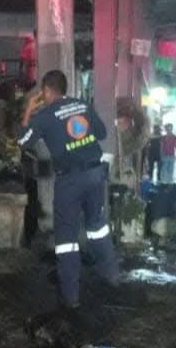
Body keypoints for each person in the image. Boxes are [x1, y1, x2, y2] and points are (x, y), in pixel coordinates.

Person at [19, 70, 119, 311]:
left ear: (45, 91)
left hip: (70, 181)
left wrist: (29, 109)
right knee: (98, 228)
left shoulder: (44, 116)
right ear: (65, 88)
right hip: (96, 175)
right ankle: (112, 280)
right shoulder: (82, 105)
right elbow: (102, 133)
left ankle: (71, 298)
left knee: (66, 240)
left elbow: (23, 142)